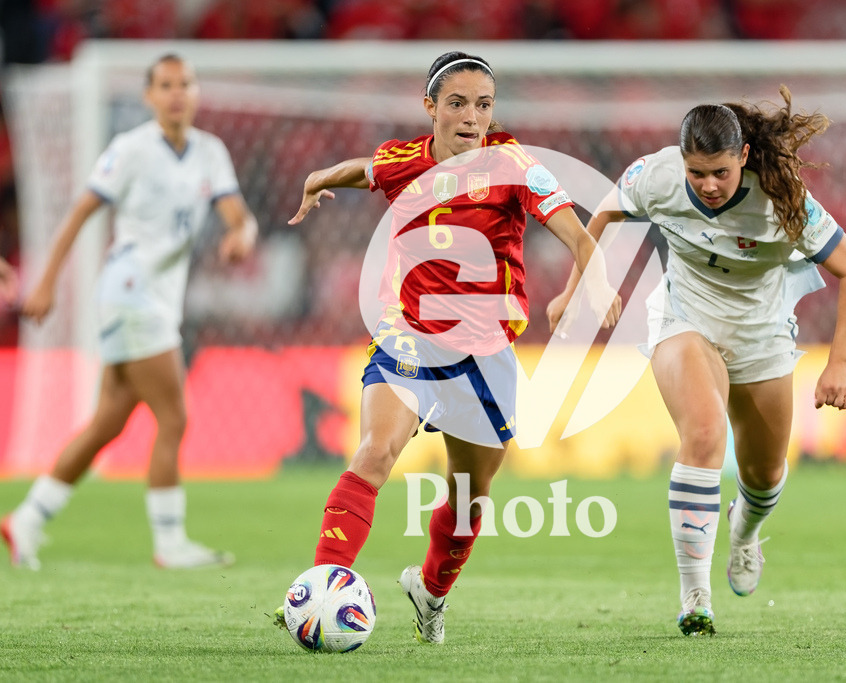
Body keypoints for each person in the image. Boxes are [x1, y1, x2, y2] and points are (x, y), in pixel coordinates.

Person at [283, 51, 621, 644]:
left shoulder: (517, 167)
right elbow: (362, 169)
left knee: (468, 496)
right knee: (375, 451)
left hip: (483, 354)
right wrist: (315, 181)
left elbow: (575, 232)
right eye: (458, 104)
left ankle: (431, 591)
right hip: (407, 337)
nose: (472, 118)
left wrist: (595, 285)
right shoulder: (403, 160)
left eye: (484, 105)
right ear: (431, 108)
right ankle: (324, 586)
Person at [548, 87, 846, 636]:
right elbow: (600, 216)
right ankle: (695, 595)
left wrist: (840, 363)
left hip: (761, 334)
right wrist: (577, 288)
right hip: (685, 318)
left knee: (764, 476)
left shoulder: (781, 197)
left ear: (743, 156)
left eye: (720, 172)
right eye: (697, 172)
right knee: (702, 432)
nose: (708, 185)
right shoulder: (656, 177)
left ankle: (743, 534)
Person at [1, 53, 258, 571]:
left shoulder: (210, 152)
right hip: (131, 291)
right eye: (165, 85)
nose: (176, 93)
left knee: (106, 424)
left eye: (185, 83)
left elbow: (238, 216)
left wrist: (241, 236)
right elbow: (80, 213)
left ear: (197, 91)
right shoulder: (131, 150)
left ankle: (27, 518)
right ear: (149, 96)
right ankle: (170, 543)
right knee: (174, 416)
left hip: (156, 299)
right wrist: (47, 281)